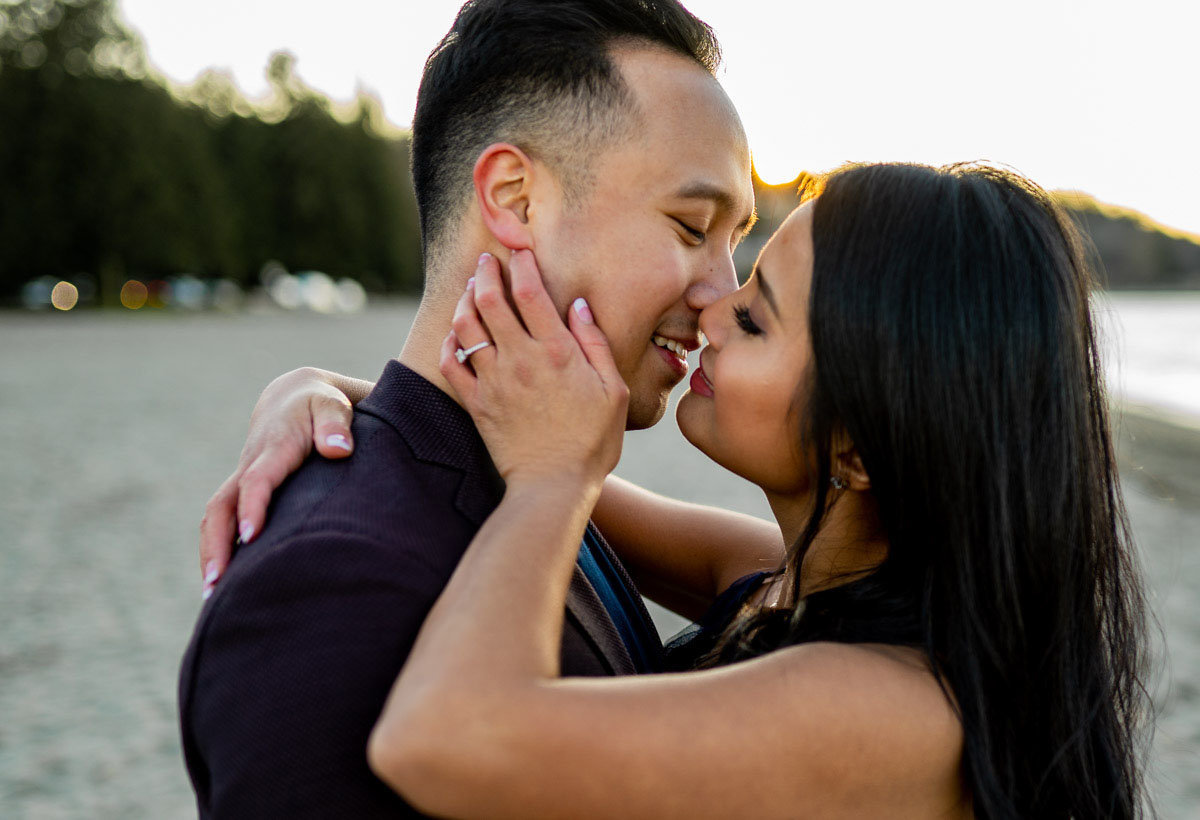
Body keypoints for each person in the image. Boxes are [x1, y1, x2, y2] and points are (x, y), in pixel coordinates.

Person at [212, 163, 1152, 818]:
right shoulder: (789, 586)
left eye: (755, 316)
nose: (711, 305)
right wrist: (311, 389)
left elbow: (440, 740)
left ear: (860, 446)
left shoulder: (892, 708)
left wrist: (552, 484)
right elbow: (497, 439)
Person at [180, 1, 756, 816]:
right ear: (516, 201)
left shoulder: (546, 466)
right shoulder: (333, 579)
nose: (721, 295)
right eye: (692, 226)